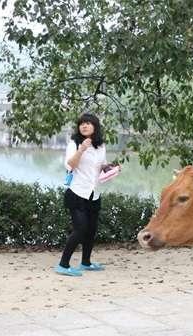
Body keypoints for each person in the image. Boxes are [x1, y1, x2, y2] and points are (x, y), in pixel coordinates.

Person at [55, 113, 116, 276]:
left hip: (94, 193)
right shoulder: (74, 143)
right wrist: (81, 149)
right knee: (80, 229)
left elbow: (100, 165)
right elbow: (71, 165)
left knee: (91, 230)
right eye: (82, 123)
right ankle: (63, 264)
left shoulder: (100, 145)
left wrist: (109, 167)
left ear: (95, 126)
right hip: (77, 192)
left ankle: (86, 262)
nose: (84, 126)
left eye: (88, 123)